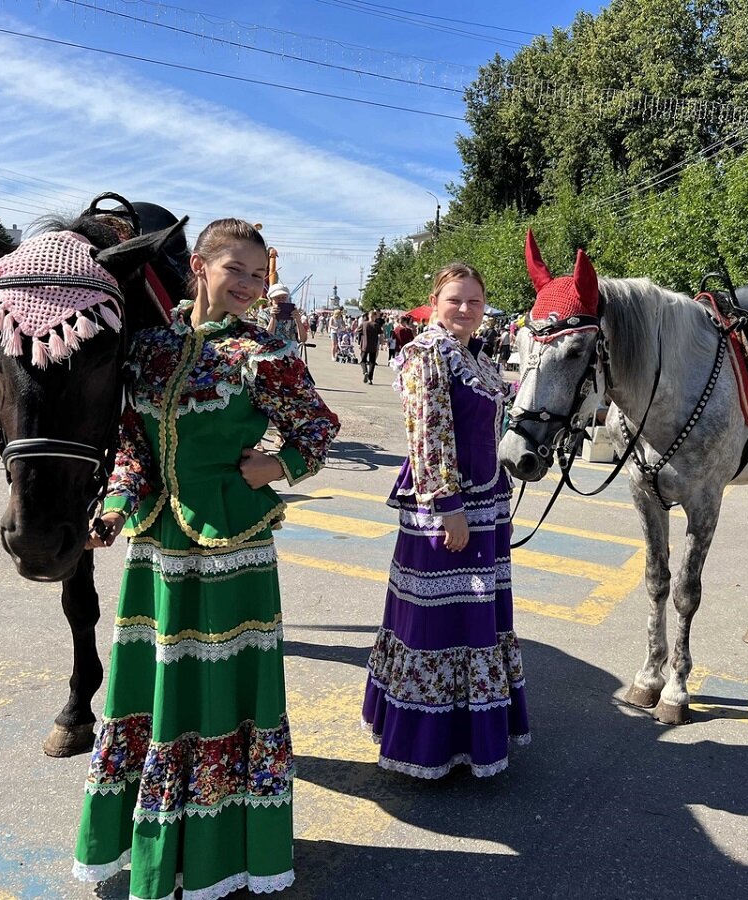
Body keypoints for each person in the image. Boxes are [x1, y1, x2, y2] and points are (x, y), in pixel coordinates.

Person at [73, 219, 340, 899]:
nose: (250, 286)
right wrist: (109, 510)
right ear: (199, 265)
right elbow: (133, 447)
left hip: (234, 555)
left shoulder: (267, 353)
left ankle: (230, 850)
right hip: (156, 548)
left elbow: (317, 429)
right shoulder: (150, 349)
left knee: (226, 697)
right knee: (157, 691)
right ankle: (159, 836)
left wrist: (273, 467)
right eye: (237, 270)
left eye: (259, 275)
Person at [361, 261, 529, 778]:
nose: (464, 309)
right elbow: (427, 434)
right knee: (437, 619)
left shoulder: (471, 355)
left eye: (474, 301)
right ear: (435, 301)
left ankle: (467, 735)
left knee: (476, 613)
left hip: (485, 503)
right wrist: (447, 507)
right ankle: (426, 744)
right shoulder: (428, 352)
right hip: (448, 508)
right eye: (455, 300)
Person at [256, 281, 308, 347]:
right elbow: (264, 339)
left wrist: (298, 321)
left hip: (290, 351)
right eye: (277, 298)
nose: (281, 300)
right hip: (270, 351)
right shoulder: (263, 314)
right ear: (271, 300)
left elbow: (303, 339)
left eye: (284, 298)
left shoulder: (292, 313)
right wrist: (273, 318)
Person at [359, 310, 381, 384]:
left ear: (369, 316)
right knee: (372, 362)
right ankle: (370, 379)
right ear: (375, 317)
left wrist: (359, 341)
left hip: (365, 345)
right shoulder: (376, 325)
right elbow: (381, 334)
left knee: (363, 361)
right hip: (373, 346)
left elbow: (357, 331)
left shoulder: (364, 324)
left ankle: (365, 372)